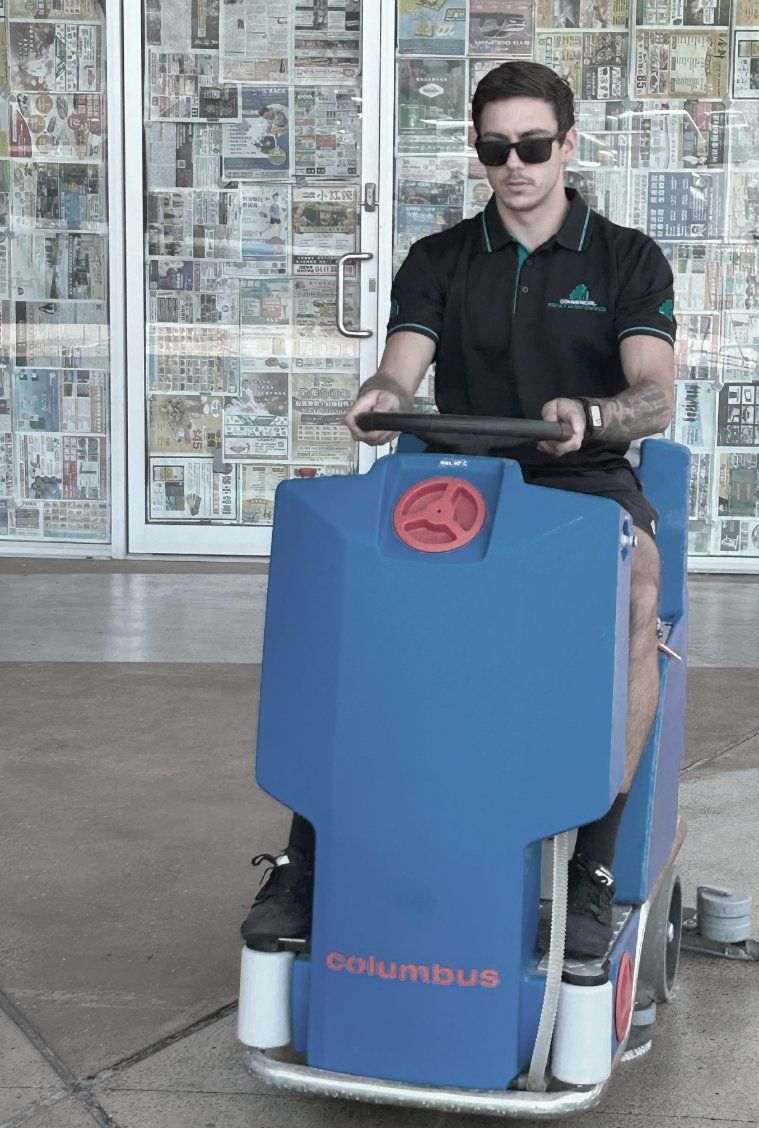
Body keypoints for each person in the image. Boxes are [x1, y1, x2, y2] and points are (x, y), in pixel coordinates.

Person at [241, 60, 677, 961]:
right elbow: (400, 368)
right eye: (493, 147)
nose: (513, 164)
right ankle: (308, 854)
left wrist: (590, 416)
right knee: (350, 605)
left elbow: (654, 395)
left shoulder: (625, 257)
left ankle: (592, 864)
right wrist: (376, 393)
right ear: (476, 150)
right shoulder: (439, 259)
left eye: (530, 145)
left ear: (567, 144)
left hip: (579, 479)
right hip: (457, 481)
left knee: (638, 589)